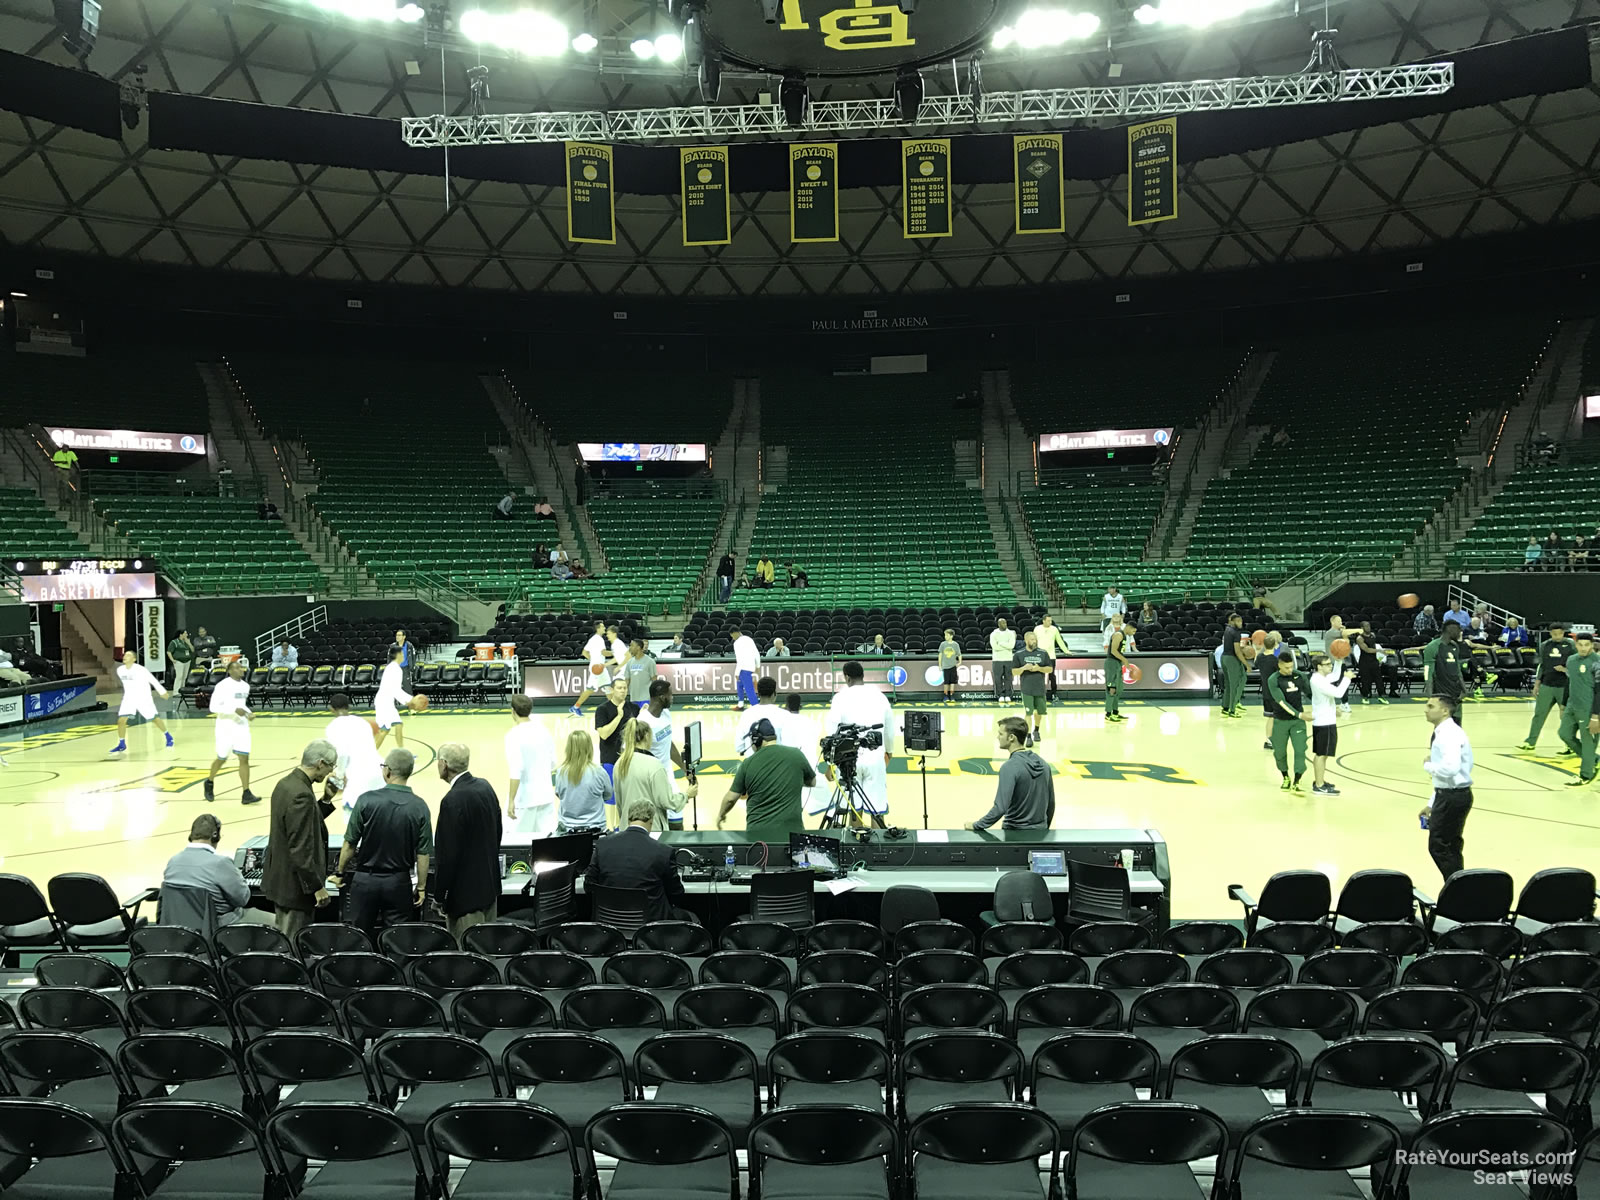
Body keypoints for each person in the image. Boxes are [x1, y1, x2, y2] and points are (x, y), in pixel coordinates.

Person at [334, 747, 433, 937]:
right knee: (397, 939)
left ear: (387, 770)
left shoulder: (366, 800)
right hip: (398, 882)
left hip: (365, 881)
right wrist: (421, 887)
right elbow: (423, 853)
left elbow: (349, 844)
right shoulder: (419, 806)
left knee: (359, 937)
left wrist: (340, 872)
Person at [261, 740, 341, 937]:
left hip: (280, 880)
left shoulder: (286, 784)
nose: (331, 772)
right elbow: (300, 848)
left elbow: (303, 826)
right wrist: (317, 887)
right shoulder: (301, 795)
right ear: (320, 763)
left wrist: (326, 800)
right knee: (291, 944)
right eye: (331, 766)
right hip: (295, 889)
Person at [433, 743, 503, 939]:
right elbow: (497, 832)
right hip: (488, 890)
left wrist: (439, 896)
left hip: (464, 900)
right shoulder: (485, 787)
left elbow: (446, 856)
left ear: (444, 764)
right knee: (486, 952)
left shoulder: (452, 800)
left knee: (468, 958)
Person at [586, 798, 695, 924]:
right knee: (692, 919)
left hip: (609, 924)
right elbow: (677, 893)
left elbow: (589, 885)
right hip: (651, 927)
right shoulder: (663, 851)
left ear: (628, 819)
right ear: (651, 820)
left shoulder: (602, 845)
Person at [161, 814, 274, 926]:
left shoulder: (172, 862)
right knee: (277, 923)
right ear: (215, 836)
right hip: (220, 926)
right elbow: (243, 899)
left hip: (182, 929)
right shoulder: (221, 863)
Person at [717, 718, 815, 841]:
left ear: (755, 740)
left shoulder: (747, 764)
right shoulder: (796, 754)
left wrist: (721, 815)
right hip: (792, 837)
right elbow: (812, 782)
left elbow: (730, 799)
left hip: (758, 839)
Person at [825, 660, 894, 820]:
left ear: (847, 677)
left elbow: (832, 731)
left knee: (854, 810)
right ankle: (879, 844)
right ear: (863, 675)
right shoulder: (880, 696)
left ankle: (856, 844)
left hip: (849, 758)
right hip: (875, 755)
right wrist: (889, 752)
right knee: (877, 809)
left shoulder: (839, 698)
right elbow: (889, 727)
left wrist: (830, 764)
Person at [967, 717, 1055, 831]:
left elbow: (1000, 808)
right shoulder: (1044, 764)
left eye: (1000, 734)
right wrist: (1044, 829)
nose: (997, 737)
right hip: (1040, 831)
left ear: (1011, 737)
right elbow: (1051, 804)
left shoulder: (1009, 767)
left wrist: (976, 825)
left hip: (1014, 833)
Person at [1420, 696, 1473, 879]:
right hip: (1449, 795)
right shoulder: (1444, 732)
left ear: (1445, 710)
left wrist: (1427, 765)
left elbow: (1450, 769)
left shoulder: (1449, 734)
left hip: (1452, 797)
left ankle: (1458, 889)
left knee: (1440, 847)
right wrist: (1432, 803)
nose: (1425, 709)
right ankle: (1458, 885)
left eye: (1430, 706)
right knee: (1450, 846)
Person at [614, 721, 694, 832]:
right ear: (647, 736)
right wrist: (687, 795)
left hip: (626, 829)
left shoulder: (619, 764)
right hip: (651, 830)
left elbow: (619, 803)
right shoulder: (654, 765)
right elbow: (666, 801)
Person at [205, 658, 258, 806]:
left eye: (241, 667)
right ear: (229, 671)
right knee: (222, 758)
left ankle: (246, 792)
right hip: (225, 725)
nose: (240, 670)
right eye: (236, 668)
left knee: (244, 758)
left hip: (241, 725)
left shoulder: (245, 686)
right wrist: (233, 710)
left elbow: (241, 705)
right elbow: (213, 707)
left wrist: (249, 713)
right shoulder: (222, 686)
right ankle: (209, 782)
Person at [635, 679, 686, 822]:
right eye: (670, 695)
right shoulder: (643, 722)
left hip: (668, 776)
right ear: (662, 697)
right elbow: (632, 753)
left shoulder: (666, 714)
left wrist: (684, 769)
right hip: (650, 779)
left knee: (677, 820)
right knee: (655, 824)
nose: (672, 698)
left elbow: (668, 744)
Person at [504, 694, 556, 832]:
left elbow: (516, 770)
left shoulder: (513, 735)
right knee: (545, 845)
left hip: (525, 799)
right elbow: (553, 763)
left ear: (513, 711)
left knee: (518, 842)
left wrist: (511, 800)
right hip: (545, 796)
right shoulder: (544, 731)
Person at [325, 692, 384, 813]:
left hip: (358, 778)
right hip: (378, 772)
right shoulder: (363, 722)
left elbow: (342, 754)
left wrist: (339, 778)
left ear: (331, 709)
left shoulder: (333, 727)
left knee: (353, 821)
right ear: (349, 706)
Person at [1519, 623, 1575, 751]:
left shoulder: (1571, 645)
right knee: (1539, 714)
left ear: (1563, 633)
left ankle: (1570, 745)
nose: (1557, 636)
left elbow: (1577, 664)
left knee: (1566, 717)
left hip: (1564, 686)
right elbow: (1542, 666)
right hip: (1547, 685)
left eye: (1560, 634)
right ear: (1550, 633)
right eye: (1554, 634)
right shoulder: (1544, 645)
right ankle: (1530, 742)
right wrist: (1537, 684)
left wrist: (1566, 670)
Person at [1265, 652, 1311, 792]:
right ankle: (1285, 777)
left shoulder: (1300, 676)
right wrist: (1300, 714)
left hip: (1297, 722)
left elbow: (1310, 694)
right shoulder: (1273, 679)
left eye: (1291, 667)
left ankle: (1297, 780)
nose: (1289, 670)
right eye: (1286, 668)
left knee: (1300, 750)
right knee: (1279, 753)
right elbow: (1281, 702)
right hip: (1280, 721)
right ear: (1279, 665)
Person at [111, 650, 173, 753]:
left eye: (128, 655)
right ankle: (122, 743)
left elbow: (152, 680)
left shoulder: (141, 670)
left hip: (143, 697)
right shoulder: (120, 670)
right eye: (125, 655)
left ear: (134, 659)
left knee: (154, 718)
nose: (125, 656)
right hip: (129, 698)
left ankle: (168, 736)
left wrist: (162, 691)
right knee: (121, 720)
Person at [1556, 630, 1597, 787]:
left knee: (1588, 742)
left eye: (1586, 645)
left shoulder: (1596, 662)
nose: (1583, 648)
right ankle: (1592, 759)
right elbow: (1569, 682)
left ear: (1592, 646)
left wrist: (1596, 716)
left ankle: (1587, 774)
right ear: (1576, 645)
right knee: (1564, 734)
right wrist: (1564, 704)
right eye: (1580, 645)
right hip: (1572, 705)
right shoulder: (1571, 660)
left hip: (1589, 707)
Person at [555, 729, 614, 832]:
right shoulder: (599, 772)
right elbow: (608, 795)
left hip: (567, 830)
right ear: (589, 747)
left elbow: (559, 794)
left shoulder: (561, 772)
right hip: (595, 829)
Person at [1308, 654, 1351, 795]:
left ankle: (1320, 781)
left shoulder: (1321, 678)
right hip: (1323, 722)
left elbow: (1334, 676)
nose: (1330, 666)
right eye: (1327, 664)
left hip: (1326, 721)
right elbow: (1338, 693)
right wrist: (1347, 678)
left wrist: (1338, 661)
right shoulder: (1318, 681)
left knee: (1324, 754)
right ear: (1319, 666)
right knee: (1321, 754)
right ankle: (1319, 785)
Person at [594, 676, 638, 782]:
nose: (623, 691)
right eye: (619, 688)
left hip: (629, 759)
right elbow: (604, 734)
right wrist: (619, 716)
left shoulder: (634, 708)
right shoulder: (602, 709)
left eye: (625, 688)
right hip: (610, 759)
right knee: (611, 796)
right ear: (612, 690)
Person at [1012, 631, 1052, 744]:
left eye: (1035, 639)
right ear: (1026, 640)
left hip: (1040, 688)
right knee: (1028, 713)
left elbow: (1050, 669)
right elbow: (1014, 672)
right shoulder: (1018, 654)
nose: (1034, 641)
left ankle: (1036, 730)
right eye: (1032, 639)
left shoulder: (1043, 653)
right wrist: (1024, 668)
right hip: (1027, 688)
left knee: (1039, 712)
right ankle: (1028, 736)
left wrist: (1039, 668)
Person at [1423, 621, 1466, 724]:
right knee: (1442, 727)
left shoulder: (1454, 646)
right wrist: (1430, 695)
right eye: (1458, 630)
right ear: (1450, 630)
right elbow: (1428, 673)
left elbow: (1457, 670)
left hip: (1455, 693)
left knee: (1457, 726)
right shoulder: (1433, 647)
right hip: (1441, 692)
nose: (1460, 632)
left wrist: (1464, 689)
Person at [375, 646, 416, 749]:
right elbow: (396, 690)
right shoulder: (395, 669)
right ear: (398, 655)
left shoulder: (393, 667)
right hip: (384, 703)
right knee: (384, 730)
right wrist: (410, 701)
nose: (403, 655)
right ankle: (369, 753)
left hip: (386, 702)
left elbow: (395, 690)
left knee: (397, 725)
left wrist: (408, 700)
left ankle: (401, 751)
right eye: (402, 653)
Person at [736, 676, 789, 756]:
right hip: (777, 764)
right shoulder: (785, 715)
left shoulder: (746, 714)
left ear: (758, 694)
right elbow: (789, 745)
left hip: (752, 764)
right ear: (774, 694)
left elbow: (739, 747)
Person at [571, 620, 610, 716]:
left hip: (600, 666)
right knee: (590, 689)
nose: (604, 628)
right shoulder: (598, 640)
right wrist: (616, 653)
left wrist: (592, 660)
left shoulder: (592, 639)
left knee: (608, 686)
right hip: (597, 668)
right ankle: (575, 707)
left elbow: (584, 652)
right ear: (598, 628)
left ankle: (614, 707)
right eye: (603, 626)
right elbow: (604, 652)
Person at [1219, 612, 1248, 719]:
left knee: (1228, 685)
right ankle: (1232, 709)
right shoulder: (1236, 633)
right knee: (1235, 685)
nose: (1240, 623)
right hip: (1232, 659)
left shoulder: (1227, 630)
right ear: (1231, 621)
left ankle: (1225, 708)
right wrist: (1246, 664)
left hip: (1224, 658)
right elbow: (1237, 651)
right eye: (1238, 621)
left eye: (1241, 621)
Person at [1033, 614, 1069, 702]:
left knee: (1051, 675)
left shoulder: (1054, 629)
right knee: (1038, 675)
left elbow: (1059, 641)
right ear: (1043, 621)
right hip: (1039, 656)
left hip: (1051, 656)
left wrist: (1066, 651)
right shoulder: (1037, 629)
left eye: (1051, 620)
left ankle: (1054, 693)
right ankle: (1038, 693)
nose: (1050, 622)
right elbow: (1033, 641)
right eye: (1048, 620)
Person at [1102, 613, 1129, 723]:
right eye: (1114, 616)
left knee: (1118, 688)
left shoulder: (1124, 630)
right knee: (1111, 688)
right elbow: (1109, 645)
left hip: (1118, 660)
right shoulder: (1110, 629)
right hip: (1112, 660)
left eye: (1119, 616)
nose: (1117, 618)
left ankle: (1115, 712)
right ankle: (1108, 714)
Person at [1354, 621, 1384, 705]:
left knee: (1378, 679)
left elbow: (1373, 646)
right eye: (1366, 626)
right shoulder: (1359, 638)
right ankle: (1366, 697)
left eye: (1369, 625)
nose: (1368, 627)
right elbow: (1366, 650)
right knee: (1366, 680)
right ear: (1362, 628)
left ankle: (1381, 696)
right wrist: (1379, 650)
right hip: (1364, 661)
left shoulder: (1373, 635)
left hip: (1373, 660)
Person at [731, 626, 760, 711]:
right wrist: (758, 666)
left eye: (732, 636)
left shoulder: (737, 643)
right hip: (750, 667)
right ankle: (740, 704)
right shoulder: (749, 639)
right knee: (740, 686)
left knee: (749, 688)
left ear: (735, 633)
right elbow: (756, 653)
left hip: (743, 668)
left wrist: (736, 672)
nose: (732, 638)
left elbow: (739, 659)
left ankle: (755, 707)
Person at [990, 618, 1016, 704]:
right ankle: (1000, 695)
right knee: (998, 678)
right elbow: (995, 647)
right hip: (997, 659)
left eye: (1005, 622)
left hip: (1008, 659)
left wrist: (1000, 643)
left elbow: (1011, 646)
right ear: (998, 624)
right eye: (1002, 623)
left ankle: (1008, 695)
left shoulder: (1011, 633)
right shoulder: (993, 634)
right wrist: (1006, 645)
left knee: (1009, 677)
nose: (1004, 624)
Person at [624, 638, 656, 705]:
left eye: (632, 646)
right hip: (633, 698)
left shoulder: (650, 661)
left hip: (646, 698)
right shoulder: (629, 662)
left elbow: (654, 680)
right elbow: (627, 680)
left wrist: (655, 696)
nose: (630, 648)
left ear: (638, 647)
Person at [937, 628, 962, 706]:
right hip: (945, 666)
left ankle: (952, 695)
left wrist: (960, 662)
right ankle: (945, 696)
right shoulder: (943, 644)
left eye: (947, 635)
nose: (945, 636)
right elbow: (940, 655)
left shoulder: (955, 644)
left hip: (953, 666)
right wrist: (940, 665)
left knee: (952, 682)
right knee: (946, 682)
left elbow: (959, 654)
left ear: (951, 636)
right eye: (945, 635)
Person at [166, 628, 194, 694]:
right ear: (181, 635)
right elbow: (169, 652)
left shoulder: (186, 642)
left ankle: (182, 691)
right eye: (185, 633)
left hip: (187, 661)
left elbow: (192, 650)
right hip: (179, 661)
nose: (187, 634)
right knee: (179, 676)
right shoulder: (174, 642)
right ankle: (176, 692)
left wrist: (189, 643)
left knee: (184, 677)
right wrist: (172, 659)